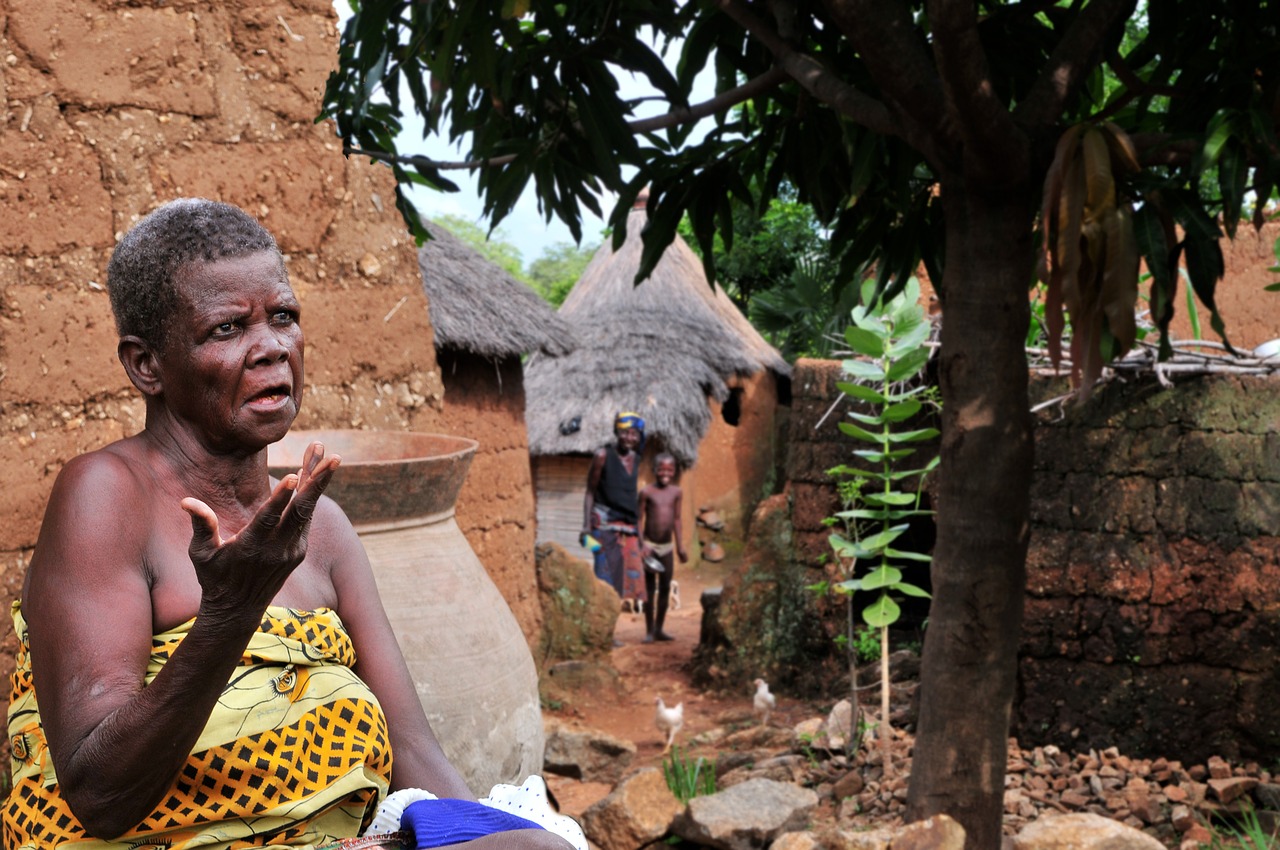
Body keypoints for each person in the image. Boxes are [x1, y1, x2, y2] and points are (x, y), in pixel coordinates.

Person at [4, 199, 577, 850]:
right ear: (147, 365)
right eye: (227, 328)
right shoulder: (107, 498)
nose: (272, 347)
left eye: (283, 317)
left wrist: (468, 836)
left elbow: (415, 752)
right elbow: (99, 794)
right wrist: (229, 615)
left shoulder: (324, 530)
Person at [581, 413, 646, 612]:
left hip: (628, 527)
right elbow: (590, 492)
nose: (630, 438)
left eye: (634, 434)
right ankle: (603, 631)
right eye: (625, 433)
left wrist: (638, 532)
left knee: (628, 579)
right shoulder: (603, 456)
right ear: (617, 432)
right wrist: (586, 528)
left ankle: (610, 628)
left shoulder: (635, 459)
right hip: (603, 526)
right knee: (605, 579)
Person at [636, 453, 688, 643]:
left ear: (674, 472)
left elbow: (677, 519)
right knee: (649, 589)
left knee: (665, 588)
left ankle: (659, 628)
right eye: (661, 469)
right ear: (654, 470)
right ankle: (649, 630)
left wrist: (680, 546)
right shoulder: (646, 492)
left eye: (669, 469)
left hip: (667, 547)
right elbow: (638, 520)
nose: (665, 473)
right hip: (649, 547)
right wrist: (642, 545)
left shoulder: (676, 493)